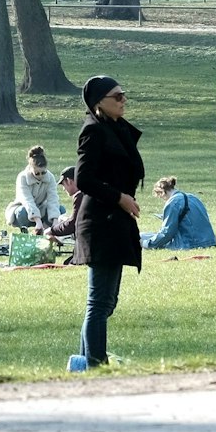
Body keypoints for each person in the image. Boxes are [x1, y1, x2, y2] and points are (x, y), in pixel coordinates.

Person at [74, 75, 144, 368]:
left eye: (123, 94)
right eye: (117, 96)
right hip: (100, 223)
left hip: (116, 221)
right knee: (99, 303)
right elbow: (83, 178)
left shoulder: (116, 129)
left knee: (105, 303)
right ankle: (95, 364)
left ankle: (82, 361)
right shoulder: (93, 131)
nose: (123, 100)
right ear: (99, 102)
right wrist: (119, 197)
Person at [140, 177, 216, 250]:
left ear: (162, 193)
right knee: (143, 235)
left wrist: (148, 244)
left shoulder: (173, 203)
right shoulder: (193, 197)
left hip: (191, 243)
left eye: (161, 197)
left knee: (140, 237)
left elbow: (167, 232)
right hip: (209, 240)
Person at [5, 146, 66, 232]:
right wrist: (37, 220)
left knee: (61, 210)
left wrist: (55, 221)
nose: (40, 176)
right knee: (22, 212)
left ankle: (47, 232)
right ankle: (24, 232)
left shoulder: (50, 178)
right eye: (37, 173)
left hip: (41, 208)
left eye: (43, 172)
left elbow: (53, 199)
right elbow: (27, 200)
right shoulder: (22, 177)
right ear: (31, 168)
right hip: (24, 210)